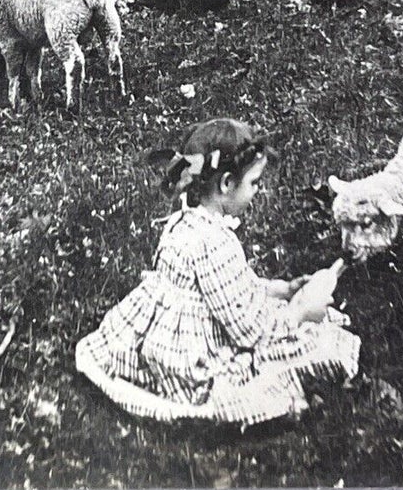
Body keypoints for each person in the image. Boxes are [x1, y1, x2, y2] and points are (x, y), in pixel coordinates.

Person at [75, 118, 360, 425]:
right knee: (305, 340)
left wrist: (282, 289)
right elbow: (251, 331)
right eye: (253, 183)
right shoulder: (216, 243)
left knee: (292, 314)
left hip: (165, 332)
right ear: (226, 185)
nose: (258, 191)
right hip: (188, 353)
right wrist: (301, 310)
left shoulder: (185, 221)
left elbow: (230, 288)